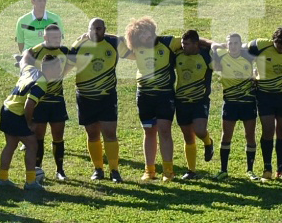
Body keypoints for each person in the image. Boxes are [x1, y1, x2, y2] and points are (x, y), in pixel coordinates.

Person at [65, 18, 121, 180]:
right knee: (92, 134)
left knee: (110, 132)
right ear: (87, 29)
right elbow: (66, 69)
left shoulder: (113, 42)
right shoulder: (79, 46)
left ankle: (114, 170)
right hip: (85, 96)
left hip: (107, 96)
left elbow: (134, 44)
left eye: (99, 28)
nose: (95, 32)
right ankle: (98, 169)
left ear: (104, 29)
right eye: (92, 29)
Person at [124, 17, 178, 181]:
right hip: (144, 95)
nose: (146, 38)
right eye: (141, 36)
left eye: (148, 33)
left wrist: (214, 45)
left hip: (164, 94)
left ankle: (168, 171)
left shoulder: (169, 42)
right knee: (148, 131)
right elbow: (113, 40)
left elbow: (193, 40)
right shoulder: (136, 48)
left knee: (164, 130)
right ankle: (149, 170)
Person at [29, 25, 74, 179]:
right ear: (45, 37)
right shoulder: (35, 51)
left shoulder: (65, 51)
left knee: (58, 135)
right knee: (39, 136)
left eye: (58, 37)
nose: (56, 40)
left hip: (57, 100)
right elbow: (24, 65)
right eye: (52, 38)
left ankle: (60, 170)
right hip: (39, 100)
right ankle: (37, 169)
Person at [171, 29, 216, 179]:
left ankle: (208, 142)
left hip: (199, 100)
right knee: (187, 137)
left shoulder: (206, 56)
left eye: (187, 44)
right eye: (183, 43)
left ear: (196, 44)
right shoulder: (178, 55)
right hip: (181, 101)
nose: (183, 46)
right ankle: (191, 171)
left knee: (199, 130)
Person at [254, 27, 282, 180]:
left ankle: (281, 170)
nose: (281, 49)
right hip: (264, 95)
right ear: (274, 41)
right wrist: (251, 74)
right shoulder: (260, 45)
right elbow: (240, 53)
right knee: (268, 129)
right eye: (279, 46)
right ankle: (267, 169)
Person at [0, 51, 43, 188]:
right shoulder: (43, 81)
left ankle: (2, 178)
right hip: (16, 113)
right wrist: (29, 123)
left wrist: (26, 53)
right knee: (32, 145)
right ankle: (30, 182)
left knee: (10, 144)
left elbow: (23, 61)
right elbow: (29, 104)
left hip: (6, 107)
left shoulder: (30, 69)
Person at [217, 33, 260, 178]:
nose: (233, 46)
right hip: (230, 103)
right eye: (230, 43)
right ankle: (223, 170)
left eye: (236, 43)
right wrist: (221, 45)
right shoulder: (222, 56)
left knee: (250, 135)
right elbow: (212, 45)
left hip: (248, 102)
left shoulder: (248, 56)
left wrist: (256, 75)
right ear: (226, 45)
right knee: (226, 136)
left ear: (240, 44)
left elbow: (261, 52)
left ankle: (250, 170)